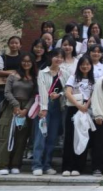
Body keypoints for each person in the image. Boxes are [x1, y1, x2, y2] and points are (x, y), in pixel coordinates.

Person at [0, 54, 36, 175]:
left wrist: (26, 109)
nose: (26, 63)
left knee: (21, 139)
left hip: (26, 109)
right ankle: (2, 165)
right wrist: (16, 105)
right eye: (24, 61)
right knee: (6, 136)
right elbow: (7, 92)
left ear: (32, 63)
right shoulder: (13, 75)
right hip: (11, 107)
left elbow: (34, 96)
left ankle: (15, 164)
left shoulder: (34, 78)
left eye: (29, 61)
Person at [32, 48, 66, 176]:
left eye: (61, 57)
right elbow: (42, 90)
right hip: (44, 106)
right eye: (56, 56)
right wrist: (43, 108)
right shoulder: (42, 72)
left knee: (52, 138)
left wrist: (59, 94)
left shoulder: (64, 73)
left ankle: (47, 165)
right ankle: (37, 165)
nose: (58, 59)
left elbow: (68, 89)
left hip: (57, 107)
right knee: (41, 136)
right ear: (51, 57)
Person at [62, 54, 95, 176]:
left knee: (83, 137)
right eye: (82, 64)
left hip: (86, 110)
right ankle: (67, 167)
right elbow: (68, 93)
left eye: (87, 64)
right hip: (73, 108)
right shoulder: (73, 77)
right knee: (70, 137)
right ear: (79, 66)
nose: (85, 66)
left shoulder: (93, 80)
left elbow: (93, 94)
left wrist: (86, 106)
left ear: (91, 66)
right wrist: (78, 105)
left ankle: (78, 166)